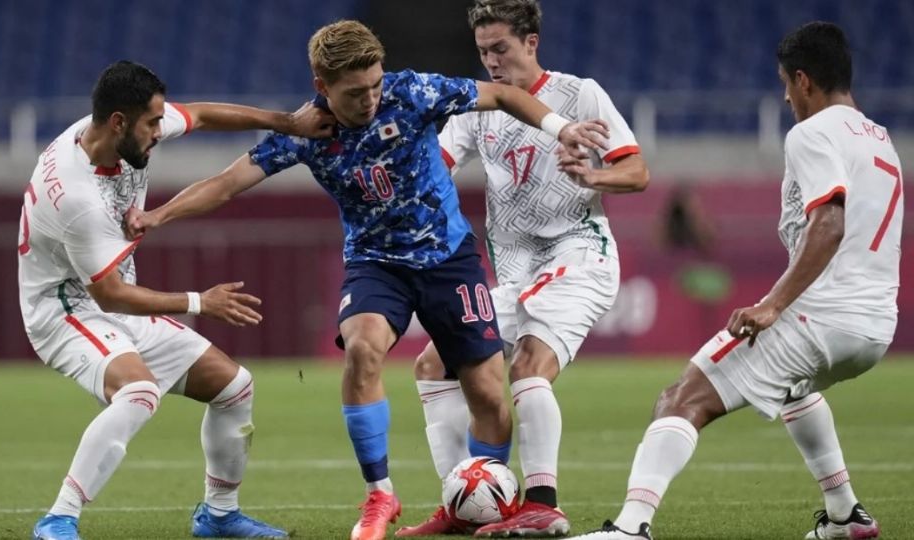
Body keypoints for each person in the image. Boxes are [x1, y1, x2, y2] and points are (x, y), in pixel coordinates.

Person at [123, 20, 610, 540]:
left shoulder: (412, 91)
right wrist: (157, 217)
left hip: (449, 259)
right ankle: (380, 495)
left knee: (489, 393)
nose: (372, 98)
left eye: (376, 84)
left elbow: (502, 95)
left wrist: (562, 129)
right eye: (356, 92)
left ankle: (485, 506)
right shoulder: (307, 132)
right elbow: (225, 185)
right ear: (322, 87)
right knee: (362, 348)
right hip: (376, 264)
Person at [564, 21, 901, 540]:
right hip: (876, 327)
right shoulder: (882, 142)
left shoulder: (812, 133)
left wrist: (772, 305)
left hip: (823, 317)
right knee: (793, 387)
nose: (786, 97)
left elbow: (829, 221)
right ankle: (844, 515)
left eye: (786, 84)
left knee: (681, 397)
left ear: (804, 80)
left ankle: (631, 528)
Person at [21, 60, 333, 540]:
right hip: (65, 309)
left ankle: (219, 516)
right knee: (139, 392)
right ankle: (58, 518)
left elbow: (204, 115)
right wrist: (197, 302)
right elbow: (110, 294)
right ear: (119, 122)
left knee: (235, 387)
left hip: (111, 298)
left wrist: (287, 122)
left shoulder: (116, 130)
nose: (158, 132)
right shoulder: (77, 197)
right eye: (152, 124)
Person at [394, 1, 649, 537]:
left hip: (579, 255)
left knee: (528, 367)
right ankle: (462, 504)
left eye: (501, 49)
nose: (491, 61)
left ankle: (543, 505)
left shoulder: (579, 94)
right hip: (515, 273)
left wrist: (593, 179)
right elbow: (433, 168)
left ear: (531, 43)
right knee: (433, 365)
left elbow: (637, 170)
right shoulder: (475, 106)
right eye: (483, 50)